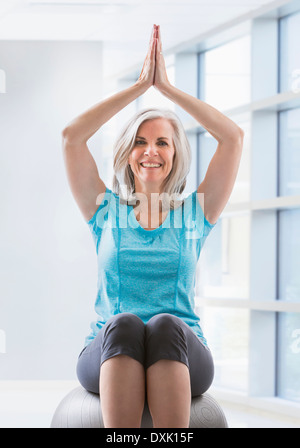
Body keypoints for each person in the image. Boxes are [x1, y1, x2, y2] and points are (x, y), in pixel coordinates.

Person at [62, 24, 244, 428]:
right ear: (127, 153)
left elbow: (232, 137)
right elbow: (73, 137)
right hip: (110, 349)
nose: (151, 151)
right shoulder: (104, 210)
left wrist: (168, 90)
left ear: (175, 152)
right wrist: (141, 86)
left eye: (162, 142)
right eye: (140, 142)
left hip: (181, 350)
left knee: (164, 324)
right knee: (124, 324)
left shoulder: (195, 213)